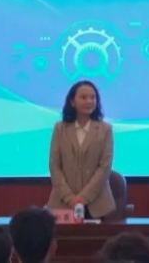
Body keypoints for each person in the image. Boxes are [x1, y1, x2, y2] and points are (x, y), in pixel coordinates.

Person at [47, 80, 115, 218]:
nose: (89, 101)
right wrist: (69, 197)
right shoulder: (60, 128)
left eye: (93, 97)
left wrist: (83, 198)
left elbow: (105, 166)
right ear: (72, 101)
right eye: (83, 97)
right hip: (63, 203)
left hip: (97, 205)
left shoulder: (105, 130)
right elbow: (54, 165)